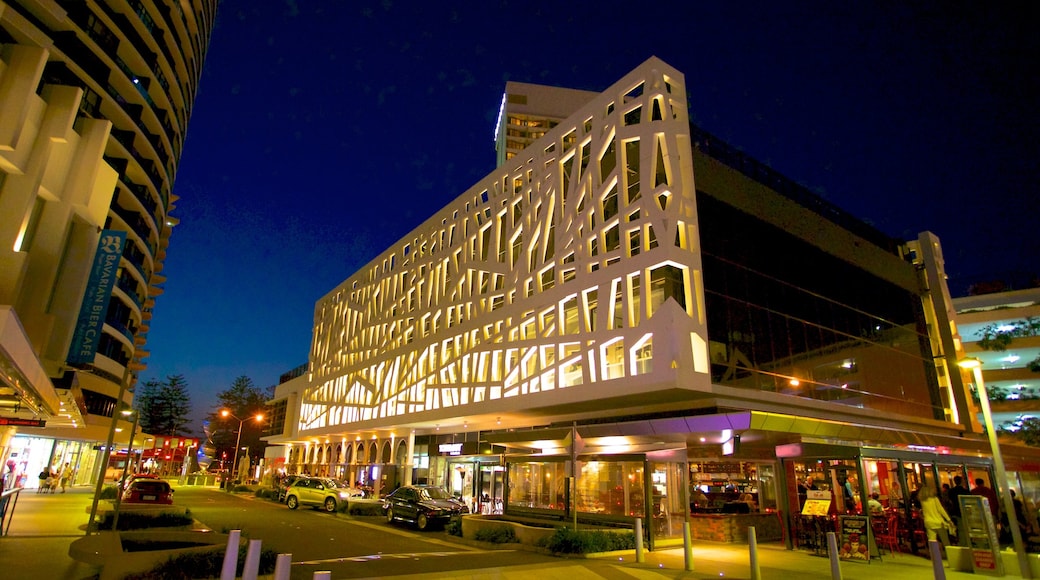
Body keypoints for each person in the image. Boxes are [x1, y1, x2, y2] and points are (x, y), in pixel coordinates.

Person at [919, 486, 954, 556]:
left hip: (928, 522)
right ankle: (950, 556)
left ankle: (935, 557)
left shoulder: (922, 501)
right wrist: (948, 519)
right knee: (945, 541)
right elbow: (940, 509)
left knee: (932, 540)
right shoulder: (934, 499)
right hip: (938, 522)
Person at [947, 476, 969, 545]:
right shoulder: (965, 491)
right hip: (963, 511)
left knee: (959, 528)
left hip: (955, 512)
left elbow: (949, 501)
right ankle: (965, 542)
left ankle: (961, 541)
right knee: (964, 528)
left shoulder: (951, 491)